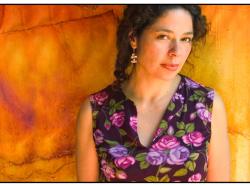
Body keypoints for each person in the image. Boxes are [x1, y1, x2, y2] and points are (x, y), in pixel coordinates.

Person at [76, 5, 230, 182]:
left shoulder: (207, 106)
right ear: (134, 37)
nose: (176, 52)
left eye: (186, 39)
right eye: (163, 36)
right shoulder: (96, 111)